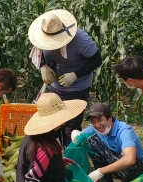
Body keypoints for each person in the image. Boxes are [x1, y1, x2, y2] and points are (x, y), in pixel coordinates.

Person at [28, 9, 102, 147]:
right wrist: (43, 67)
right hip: (56, 87)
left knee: (71, 126)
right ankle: (57, 153)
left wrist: (75, 75)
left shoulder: (81, 40)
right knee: (54, 121)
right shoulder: (42, 37)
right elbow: (40, 56)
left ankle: (72, 157)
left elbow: (97, 60)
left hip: (78, 86)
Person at [15, 93, 93, 182]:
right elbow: (31, 180)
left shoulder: (39, 137)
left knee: (67, 174)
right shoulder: (45, 148)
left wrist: (58, 163)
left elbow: (37, 164)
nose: (64, 122)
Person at [70, 103, 143, 182]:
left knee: (125, 156)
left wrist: (100, 171)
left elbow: (130, 159)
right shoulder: (96, 128)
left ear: (109, 118)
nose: (97, 125)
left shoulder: (124, 130)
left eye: (99, 120)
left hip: (137, 168)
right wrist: (75, 132)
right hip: (117, 163)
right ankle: (105, 179)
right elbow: (81, 135)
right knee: (89, 140)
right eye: (93, 122)